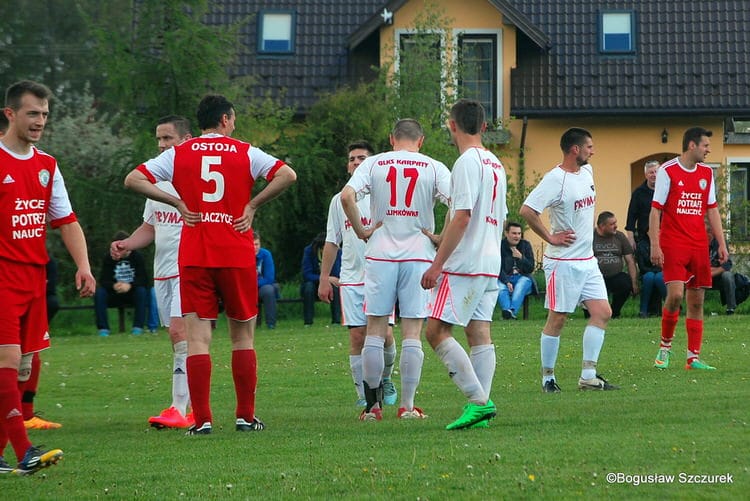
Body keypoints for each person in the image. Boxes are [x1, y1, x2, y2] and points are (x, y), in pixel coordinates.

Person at [125, 93, 297, 435]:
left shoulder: (178, 153)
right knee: (242, 336)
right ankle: (245, 417)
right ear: (226, 119)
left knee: (198, 339)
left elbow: (133, 179)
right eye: (232, 119)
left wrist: (175, 200)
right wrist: (252, 205)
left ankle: (202, 420)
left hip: (195, 255)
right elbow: (287, 175)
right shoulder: (246, 151)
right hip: (234, 251)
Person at [0, 80, 96, 474]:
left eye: (44, 114)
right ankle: (24, 452)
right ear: (10, 114)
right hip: (2, 277)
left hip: (33, 278)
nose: (39, 121)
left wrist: (84, 265)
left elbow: (66, 220)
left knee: (22, 369)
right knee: (5, 361)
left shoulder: (47, 165)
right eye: (32, 113)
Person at [341, 118, 450, 421]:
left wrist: (363, 230)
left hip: (380, 255)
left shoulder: (374, 164)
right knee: (412, 332)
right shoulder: (433, 166)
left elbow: (346, 196)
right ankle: (407, 406)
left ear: (391, 139)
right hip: (418, 255)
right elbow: (460, 203)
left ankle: (373, 408)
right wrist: (441, 236)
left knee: (375, 331)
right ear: (421, 140)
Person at [420, 98, 506, 430]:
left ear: (452, 126)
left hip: (465, 264)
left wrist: (437, 263)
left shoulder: (466, 163)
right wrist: (444, 238)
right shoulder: (496, 163)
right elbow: (493, 217)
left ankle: (478, 402)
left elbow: (464, 216)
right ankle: (481, 413)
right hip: (490, 261)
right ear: (484, 127)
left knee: (436, 331)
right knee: (478, 332)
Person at [520, 127, 619, 393]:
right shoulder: (555, 179)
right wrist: (550, 238)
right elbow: (527, 210)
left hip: (587, 260)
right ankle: (547, 378)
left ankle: (588, 376)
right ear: (575, 149)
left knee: (603, 312)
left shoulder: (587, 172)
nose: (593, 151)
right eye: (589, 146)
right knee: (558, 319)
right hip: (562, 263)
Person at [111, 115, 194, 429]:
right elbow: (151, 227)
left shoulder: (196, 179)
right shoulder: (155, 183)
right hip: (163, 273)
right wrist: (128, 244)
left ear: (185, 140)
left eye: (167, 139)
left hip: (188, 270)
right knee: (178, 340)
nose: (160, 145)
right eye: (158, 139)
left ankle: (180, 408)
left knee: (181, 333)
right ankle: (189, 405)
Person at [318, 140, 398, 407]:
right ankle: (364, 395)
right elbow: (332, 241)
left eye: (362, 158)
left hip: (382, 274)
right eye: (352, 159)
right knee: (357, 336)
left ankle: (385, 380)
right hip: (351, 278)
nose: (356, 163)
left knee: (385, 335)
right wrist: (324, 279)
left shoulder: (384, 197)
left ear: (372, 163)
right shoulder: (337, 201)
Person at [650, 127, 727, 370]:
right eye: (705, 145)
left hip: (698, 244)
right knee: (674, 296)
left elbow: (712, 209)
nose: (708, 150)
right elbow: (655, 209)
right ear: (692, 145)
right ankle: (664, 348)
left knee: (697, 300)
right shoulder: (668, 170)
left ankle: (693, 358)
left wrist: (721, 242)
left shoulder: (706, 172)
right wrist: (655, 244)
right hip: (673, 243)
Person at [94, 231, 149, 336]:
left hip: (132, 293)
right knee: (100, 293)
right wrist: (113, 285)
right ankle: (103, 329)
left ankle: (138, 327)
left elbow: (143, 279)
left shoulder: (137, 257)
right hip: (114, 293)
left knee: (141, 291)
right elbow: (103, 280)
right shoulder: (109, 258)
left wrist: (130, 285)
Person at [592, 211, 639, 318]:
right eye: (612, 224)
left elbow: (630, 261)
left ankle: (614, 312)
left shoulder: (620, 237)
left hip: (615, 276)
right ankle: (593, 313)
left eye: (615, 223)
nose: (616, 226)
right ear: (602, 226)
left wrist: (634, 282)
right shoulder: (591, 237)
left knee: (625, 283)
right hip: (595, 276)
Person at [497, 221, 536, 320]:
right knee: (501, 288)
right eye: (514, 233)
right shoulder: (500, 246)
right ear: (506, 233)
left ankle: (510, 312)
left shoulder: (525, 245)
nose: (517, 236)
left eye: (519, 233)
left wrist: (521, 258)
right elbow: (498, 268)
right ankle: (509, 313)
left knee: (521, 284)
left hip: (523, 278)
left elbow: (530, 268)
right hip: (505, 277)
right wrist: (506, 281)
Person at [301, 232, 341, 326]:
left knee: (335, 287)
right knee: (308, 288)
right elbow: (307, 275)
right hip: (313, 283)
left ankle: (336, 320)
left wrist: (329, 279)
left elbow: (337, 274)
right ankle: (308, 322)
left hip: (331, 284)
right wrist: (326, 278)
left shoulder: (337, 252)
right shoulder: (309, 251)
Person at [625, 159, 660, 249]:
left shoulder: (668, 191)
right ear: (646, 175)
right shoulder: (638, 193)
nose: (654, 175)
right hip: (644, 241)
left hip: (665, 239)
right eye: (651, 172)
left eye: (656, 172)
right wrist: (631, 240)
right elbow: (631, 218)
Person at [254, 231, 280, 329]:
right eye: (252, 245)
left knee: (268, 290)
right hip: (247, 287)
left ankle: (271, 324)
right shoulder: (243, 254)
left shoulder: (266, 255)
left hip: (262, 285)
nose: (255, 247)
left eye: (257, 244)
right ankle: (249, 324)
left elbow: (269, 278)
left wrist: (254, 284)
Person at [708, 225, 736, 315]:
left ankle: (730, 308)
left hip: (716, 277)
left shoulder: (721, 243)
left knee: (727, 275)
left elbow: (727, 265)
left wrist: (710, 272)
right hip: (699, 276)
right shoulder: (696, 242)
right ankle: (678, 308)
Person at [635, 237, 666, 318]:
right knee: (649, 277)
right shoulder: (641, 246)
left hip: (664, 271)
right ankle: (643, 310)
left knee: (659, 277)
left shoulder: (666, 242)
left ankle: (671, 306)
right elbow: (642, 267)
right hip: (646, 272)